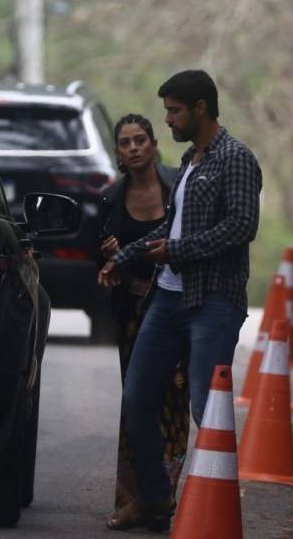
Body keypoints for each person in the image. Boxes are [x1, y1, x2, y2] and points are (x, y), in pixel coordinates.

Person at [98, 70, 262, 530]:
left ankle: (211, 512)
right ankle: (154, 498)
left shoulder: (236, 159)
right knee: (137, 397)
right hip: (167, 300)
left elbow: (241, 227)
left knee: (205, 408)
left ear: (200, 109)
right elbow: (170, 229)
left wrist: (179, 251)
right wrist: (125, 256)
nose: (167, 120)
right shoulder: (191, 159)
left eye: (174, 111)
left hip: (213, 301)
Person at [97, 114, 190, 529]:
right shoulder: (110, 199)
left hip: (175, 307)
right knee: (136, 403)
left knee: (174, 401)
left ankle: (163, 497)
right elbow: (97, 260)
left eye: (140, 140)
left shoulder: (179, 186)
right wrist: (107, 253)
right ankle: (136, 498)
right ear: (118, 152)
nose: (133, 148)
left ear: (153, 144)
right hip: (133, 317)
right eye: (125, 143)